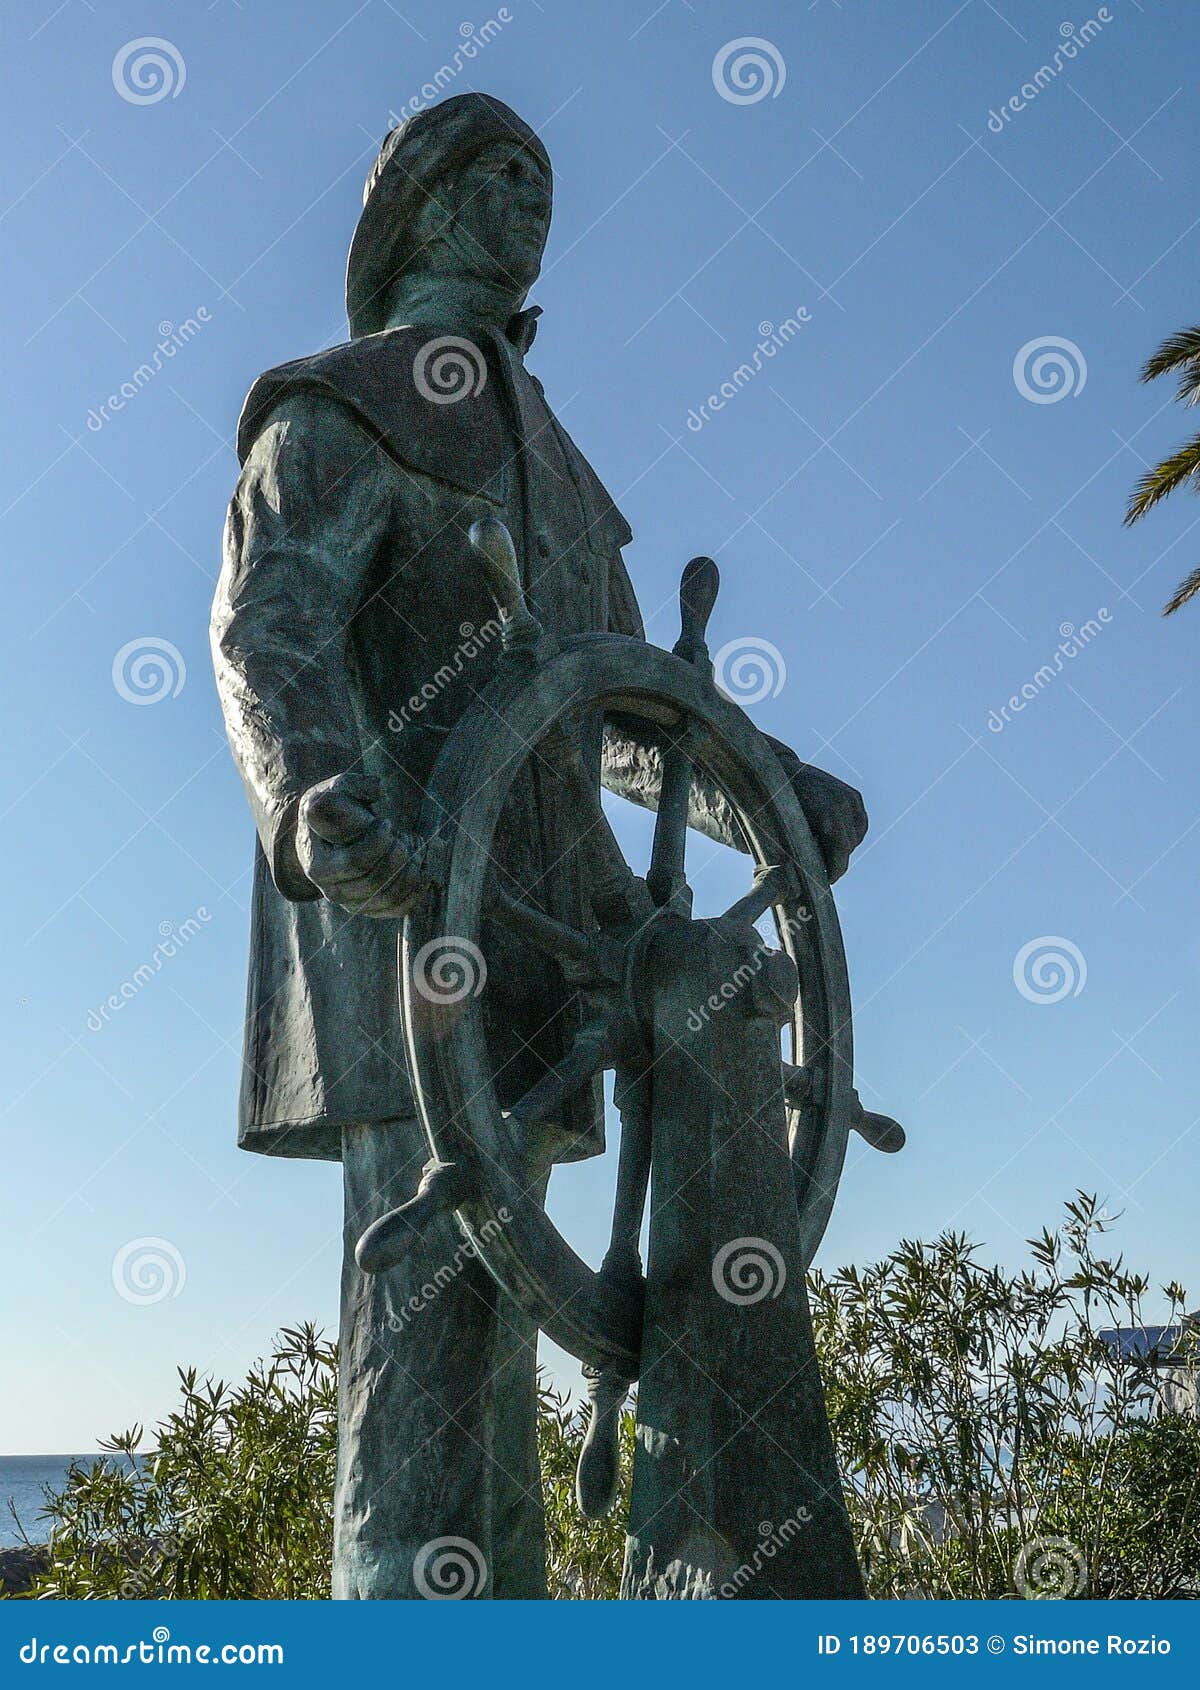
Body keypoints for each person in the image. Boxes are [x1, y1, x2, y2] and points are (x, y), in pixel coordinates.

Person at [211, 92, 867, 1598]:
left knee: (505, 1343)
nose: (534, 195)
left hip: (552, 967)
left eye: (545, 176)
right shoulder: (341, 403)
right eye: (499, 169)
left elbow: (633, 711)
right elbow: (272, 622)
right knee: (427, 1371)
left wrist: (776, 788)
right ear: (420, 212)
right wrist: (316, 799)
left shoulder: (563, 473)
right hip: (399, 929)